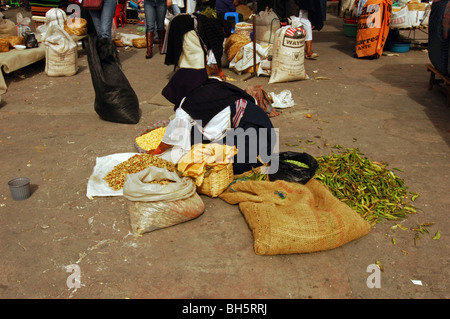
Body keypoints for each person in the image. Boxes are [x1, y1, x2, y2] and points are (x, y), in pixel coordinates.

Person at [151, 68, 277, 175]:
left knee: (225, 167)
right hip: (257, 123)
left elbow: (172, 137)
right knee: (197, 141)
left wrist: (156, 152)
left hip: (255, 131)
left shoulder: (187, 104)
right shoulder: (213, 84)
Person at [163, 13, 232, 79]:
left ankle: (183, 73)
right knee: (197, 54)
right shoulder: (218, 29)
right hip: (187, 25)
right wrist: (221, 73)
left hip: (177, 20)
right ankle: (194, 77)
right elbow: (216, 52)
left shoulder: (210, 22)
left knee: (183, 52)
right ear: (223, 29)